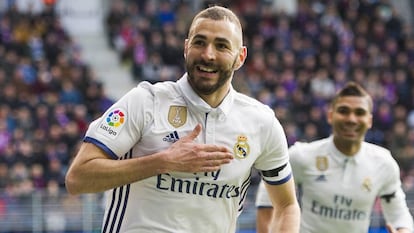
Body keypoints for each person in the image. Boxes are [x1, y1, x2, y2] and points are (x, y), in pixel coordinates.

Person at [65, 5, 300, 233]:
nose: (208, 54)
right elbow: (78, 178)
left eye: (221, 46)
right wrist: (163, 162)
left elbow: (287, 205)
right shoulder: (145, 101)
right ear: (186, 48)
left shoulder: (261, 122)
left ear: (240, 57)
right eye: (200, 42)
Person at [255, 81, 414, 233]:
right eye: (344, 111)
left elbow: (398, 213)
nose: (351, 119)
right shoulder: (302, 155)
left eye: (359, 113)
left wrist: (404, 230)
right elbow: (266, 197)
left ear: (369, 120)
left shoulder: (383, 163)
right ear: (330, 115)